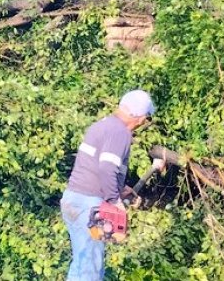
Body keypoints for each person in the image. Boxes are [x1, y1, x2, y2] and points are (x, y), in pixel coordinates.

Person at [60, 90, 158, 281]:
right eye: (145, 118)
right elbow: (106, 168)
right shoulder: (120, 132)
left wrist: (120, 191)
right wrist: (115, 201)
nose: (143, 123)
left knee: (81, 262)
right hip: (89, 206)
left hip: (73, 200)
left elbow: (95, 167)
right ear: (138, 117)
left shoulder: (103, 125)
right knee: (92, 270)